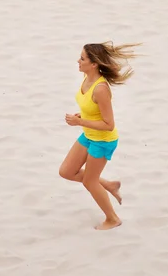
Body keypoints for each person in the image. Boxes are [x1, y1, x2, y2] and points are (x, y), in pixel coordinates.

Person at [59, 42, 139, 230]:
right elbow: (92, 109)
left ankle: (112, 219)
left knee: (89, 181)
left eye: (82, 58)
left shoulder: (100, 88)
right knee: (66, 172)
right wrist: (83, 116)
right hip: (89, 135)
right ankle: (109, 185)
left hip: (103, 140)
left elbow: (108, 124)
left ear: (94, 64)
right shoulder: (86, 79)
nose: (78, 61)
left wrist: (80, 122)